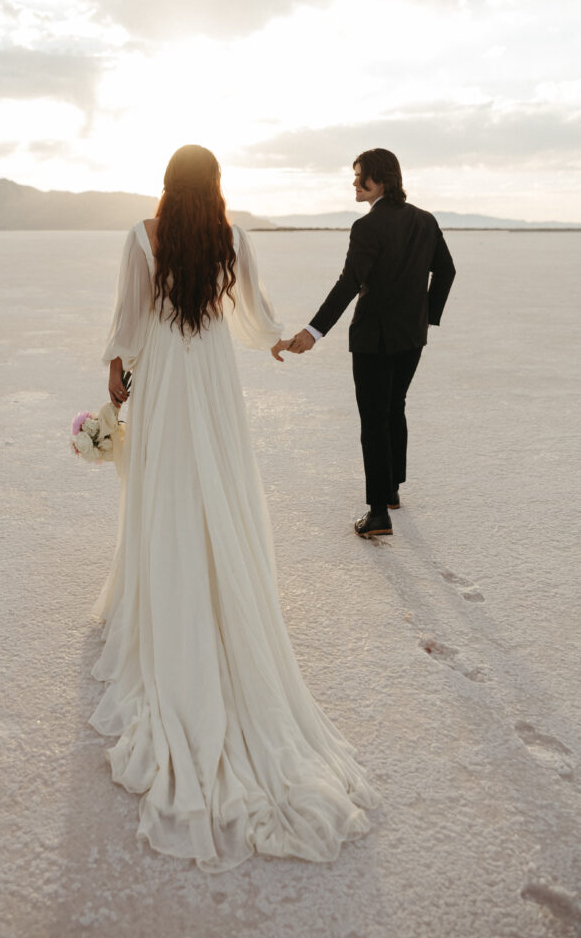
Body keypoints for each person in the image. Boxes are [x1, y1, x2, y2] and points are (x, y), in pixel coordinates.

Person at [90, 144, 379, 873]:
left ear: (166, 183)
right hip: (212, 372)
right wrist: (279, 339)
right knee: (214, 477)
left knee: (167, 484)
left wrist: (118, 375)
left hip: (166, 373)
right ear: (215, 185)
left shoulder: (141, 236)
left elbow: (128, 317)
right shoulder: (234, 238)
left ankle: (166, 589)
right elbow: (251, 313)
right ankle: (219, 583)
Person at [273, 148, 456, 537]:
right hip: (412, 336)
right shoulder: (426, 220)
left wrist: (313, 332)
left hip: (374, 338)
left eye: (361, 176)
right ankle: (390, 491)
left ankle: (377, 515)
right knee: (395, 407)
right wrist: (426, 315)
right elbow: (446, 270)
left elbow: (348, 284)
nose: (354, 183)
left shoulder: (367, 227)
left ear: (383, 180)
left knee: (374, 420)